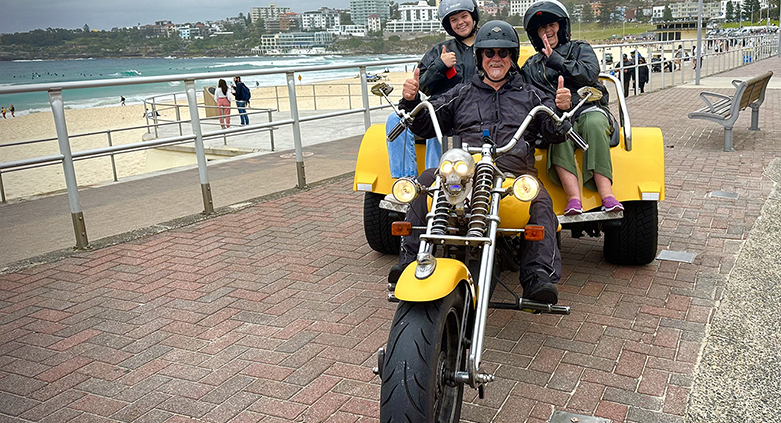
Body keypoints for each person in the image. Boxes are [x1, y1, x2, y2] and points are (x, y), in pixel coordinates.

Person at [391, 20, 572, 304]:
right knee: (426, 182)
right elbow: (426, 123)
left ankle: (538, 277)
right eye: (489, 53)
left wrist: (562, 110)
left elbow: (554, 131)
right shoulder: (462, 93)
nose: (496, 59)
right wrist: (411, 101)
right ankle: (410, 261)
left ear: (512, 57)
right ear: (480, 58)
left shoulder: (531, 94)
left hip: (511, 173)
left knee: (539, 199)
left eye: (502, 53)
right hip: (465, 171)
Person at [521, 0, 623, 217]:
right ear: (535, 34)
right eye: (541, 28)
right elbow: (523, 91)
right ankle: (573, 198)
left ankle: (607, 194)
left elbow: (590, 74)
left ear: (561, 26)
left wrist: (556, 61)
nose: (548, 31)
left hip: (589, 107)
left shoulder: (580, 48)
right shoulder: (530, 65)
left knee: (594, 123)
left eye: (552, 25)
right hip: (557, 114)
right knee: (558, 131)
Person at [387, 0, 481, 177]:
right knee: (395, 119)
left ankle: (434, 180)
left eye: (464, 16)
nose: (460, 22)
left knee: (438, 125)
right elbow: (423, 86)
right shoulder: (439, 50)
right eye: (454, 19)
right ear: (448, 25)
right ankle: (406, 181)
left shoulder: (488, 48)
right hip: (439, 109)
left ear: (473, 16)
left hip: (470, 112)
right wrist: (439, 66)